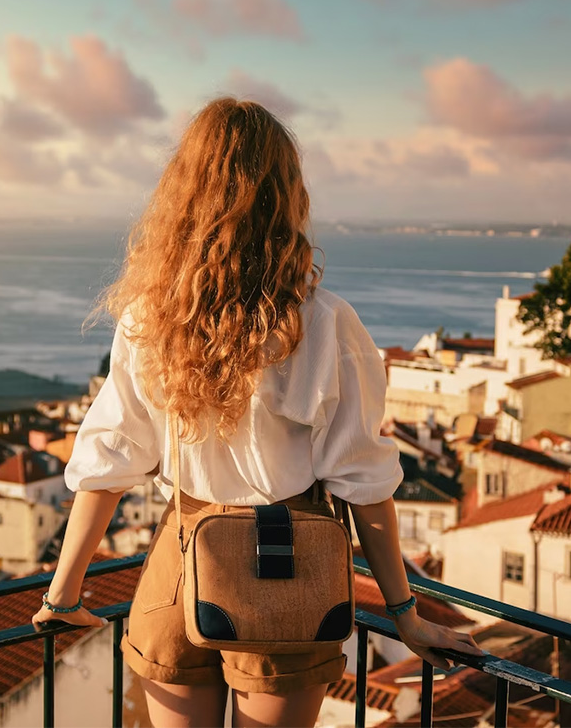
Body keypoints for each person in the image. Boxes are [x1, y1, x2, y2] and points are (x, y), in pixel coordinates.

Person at [32, 98, 484, 727]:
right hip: (287, 570)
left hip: (181, 556)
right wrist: (405, 613)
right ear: (286, 195)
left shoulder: (151, 321)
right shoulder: (326, 324)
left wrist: (63, 592)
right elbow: (363, 483)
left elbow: (110, 460)